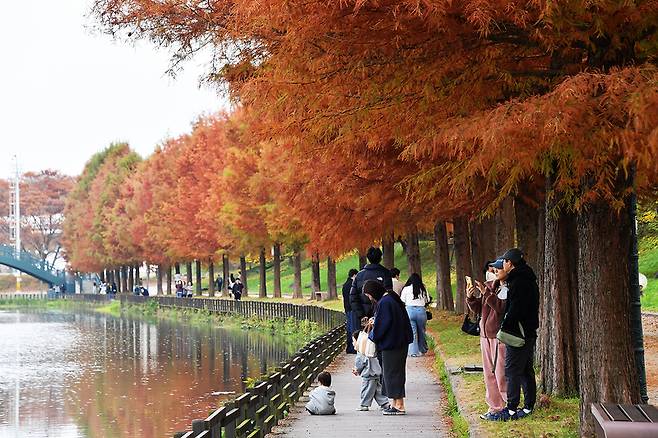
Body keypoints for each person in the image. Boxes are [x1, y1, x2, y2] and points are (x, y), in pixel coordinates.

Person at [499, 248, 539, 421]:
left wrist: (506, 324)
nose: (502, 265)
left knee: (512, 370)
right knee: (525, 370)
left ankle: (511, 409)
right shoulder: (528, 278)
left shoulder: (518, 281)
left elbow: (516, 308)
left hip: (519, 332)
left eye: (504, 262)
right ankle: (529, 405)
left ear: (510, 263)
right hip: (528, 330)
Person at [467, 259, 508, 421]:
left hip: (498, 336)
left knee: (500, 373)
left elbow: (500, 308)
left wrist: (486, 293)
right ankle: (494, 406)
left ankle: (507, 405)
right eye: (492, 269)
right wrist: (471, 299)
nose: (494, 272)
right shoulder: (491, 286)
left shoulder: (507, 288)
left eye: (497, 269)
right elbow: (479, 309)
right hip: (485, 335)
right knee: (489, 374)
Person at [366, 280, 413, 416]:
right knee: (393, 373)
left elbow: (383, 326)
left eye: (369, 295)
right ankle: (395, 403)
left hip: (392, 344)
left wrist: (372, 336)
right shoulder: (390, 299)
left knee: (392, 374)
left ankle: (399, 405)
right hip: (398, 342)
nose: (369, 298)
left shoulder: (385, 303)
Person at [350, 247, 393, 325]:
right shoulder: (385, 273)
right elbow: (388, 295)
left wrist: (361, 315)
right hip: (381, 315)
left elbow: (353, 297)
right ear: (380, 258)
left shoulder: (359, 275)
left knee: (366, 336)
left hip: (364, 317)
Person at [352, 330, 390, 411]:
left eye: (353, 341)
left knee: (366, 390)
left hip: (368, 374)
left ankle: (364, 405)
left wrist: (356, 370)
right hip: (376, 373)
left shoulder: (361, 352)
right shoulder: (370, 349)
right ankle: (385, 403)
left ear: (359, 341)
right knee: (378, 390)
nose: (353, 343)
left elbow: (360, 364)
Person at [400, 273, 430, 357]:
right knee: (422, 330)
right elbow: (427, 300)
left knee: (413, 332)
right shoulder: (423, 288)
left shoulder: (406, 289)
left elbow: (402, 300)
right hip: (421, 311)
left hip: (409, 311)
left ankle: (413, 352)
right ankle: (423, 349)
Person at [343, 269, 359, 354]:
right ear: (354, 275)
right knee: (354, 328)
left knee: (349, 328)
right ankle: (353, 347)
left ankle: (349, 347)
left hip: (347, 309)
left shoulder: (345, 284)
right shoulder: (352, 284)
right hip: (352, 309)